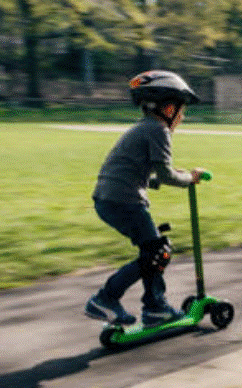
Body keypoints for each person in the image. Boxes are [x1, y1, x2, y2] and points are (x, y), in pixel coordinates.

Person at [85, 70, 206, 327]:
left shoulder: (144, 128)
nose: (182, 118)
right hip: (123, 201)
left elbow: (141, 172)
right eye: (181, 111)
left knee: (153, 251)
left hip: (110, 198)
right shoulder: (159, 130)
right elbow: (166, 175)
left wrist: (168, 176)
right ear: (169, 108)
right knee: (157, 253)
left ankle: (155, 307)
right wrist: (190, 179)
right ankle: (107, 298)